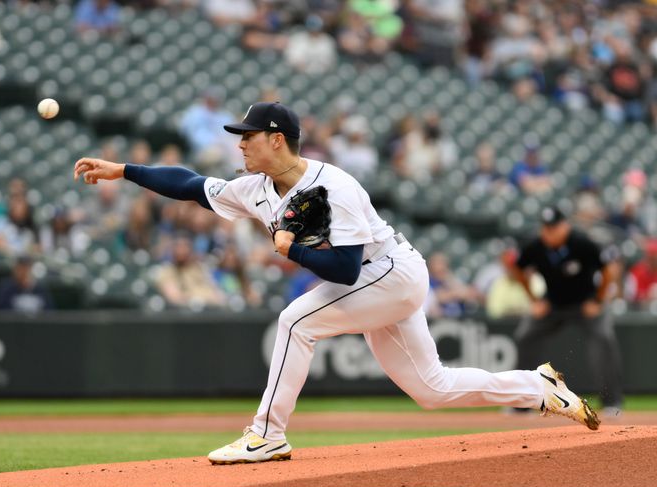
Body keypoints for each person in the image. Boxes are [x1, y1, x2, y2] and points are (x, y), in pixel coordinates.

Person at [73, 101, 600, 466]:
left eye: (248, 138)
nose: (240, 146)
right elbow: (190, 185)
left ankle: (266, 436)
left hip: (389, 272)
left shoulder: (334, 186)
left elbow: (345, 270)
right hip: (381, 280)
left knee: (296, 319)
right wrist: (123, 170)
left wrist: (292, 250)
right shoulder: (255, 186)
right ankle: (539, 387)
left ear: (276, 140)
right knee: (431, 389)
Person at [510, 206, 624, 416]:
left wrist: (598, 300)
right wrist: (534, 300)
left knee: (604, 339)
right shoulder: (536, 246)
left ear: (565, 226)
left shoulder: (582, 243)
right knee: (524, 336)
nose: (549, 232)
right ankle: (521, 404)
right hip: (553, 304)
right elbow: (516, 268)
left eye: (553, 228)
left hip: (585, 303)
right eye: (545, 228)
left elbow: (610, 269)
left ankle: (612, 402)